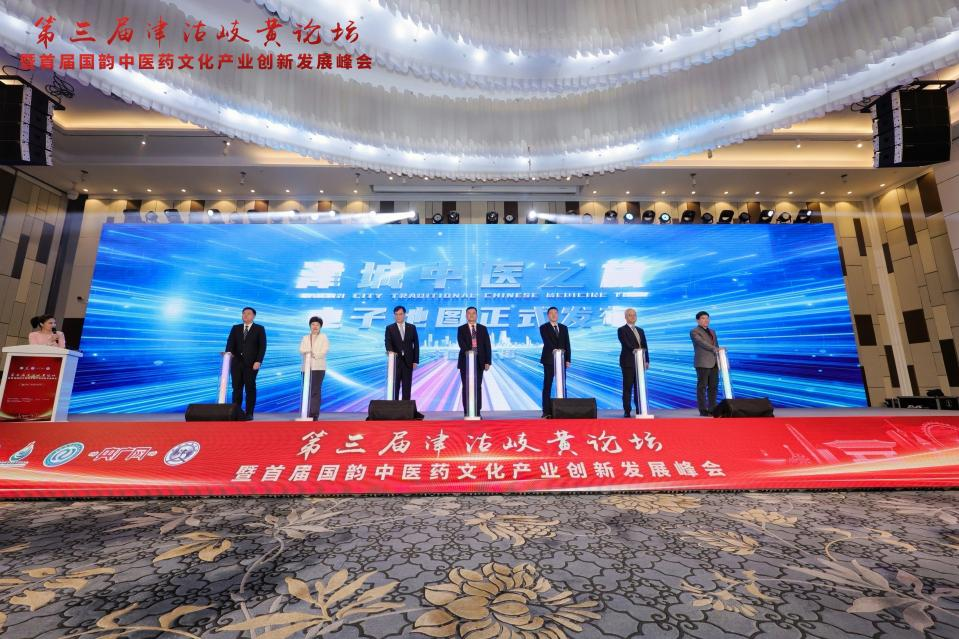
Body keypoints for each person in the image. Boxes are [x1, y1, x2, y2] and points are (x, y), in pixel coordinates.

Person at [225, 306, 267, 421]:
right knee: (236, 388)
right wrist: (228, 357)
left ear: (253, 316)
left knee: (250, 388)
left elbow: (262, 346)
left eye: (248, 313)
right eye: (243, 313)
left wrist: (258, 361)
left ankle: (249, 413)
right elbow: (230, 344)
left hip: (251, 364)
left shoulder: (259, 329)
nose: (245, 315)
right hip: (236, 363)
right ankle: (236, 412)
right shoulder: (235, 328)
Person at [457, 306, 492, 417]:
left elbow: (487, 345)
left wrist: (487, 361)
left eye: (473, 313)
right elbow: (462, 345)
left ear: (476, 315)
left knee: (478, 387)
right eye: (469, 313)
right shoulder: (461, 329)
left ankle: (477, 412)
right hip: (465, 362)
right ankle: (467, 412)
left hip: (479, 362)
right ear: (466, 315)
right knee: (466, 387)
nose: (471, 315)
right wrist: (471, 353)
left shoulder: (483, 328)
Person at [539, 306, 571, 418]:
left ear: (558, 315)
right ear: (548, 315)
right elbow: (547, 342)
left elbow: (567, 344)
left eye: (556, 313)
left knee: (562, 385)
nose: (554, 315)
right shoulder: (543, 327)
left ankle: (563, 410)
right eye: (551, 313)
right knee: (547, 385)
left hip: (562, 361)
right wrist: (555, 351)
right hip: (549, 360)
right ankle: (546, 411)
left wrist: (568, 359)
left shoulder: (564, 328)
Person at [617, 308, 649, 418]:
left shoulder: (640, 330)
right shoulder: (621, 330)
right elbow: (626, 344)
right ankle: (627, 410)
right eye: (630, 315)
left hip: (640, 362)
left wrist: (646, 360)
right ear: (625, 317)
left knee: (639, 387)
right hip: (628, 363)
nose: (633, 317)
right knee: (628, 387)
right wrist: (637, 350)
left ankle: (640, 409)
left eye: (634, 315)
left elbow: (645, 346)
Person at [384, 305, 419, 402]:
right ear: (394, 315)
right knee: (395, 387)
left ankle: (406, 408)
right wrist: (390, 351)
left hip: (408, 362)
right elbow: (387, 342)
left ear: (404, 315)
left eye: (400, 314)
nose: (398, 316)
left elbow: (416, 345)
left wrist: (415, 361)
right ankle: (394, 408)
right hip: (395, 362)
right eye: (396, 314)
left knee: (407, 387)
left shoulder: (412, 327)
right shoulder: (390, 328)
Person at [298, 316, 329, 420]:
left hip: (318, 367)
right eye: (313, 324)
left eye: (317, 325)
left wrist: (313, 354)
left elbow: (324, 350)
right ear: (310, 326)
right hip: (306, 368)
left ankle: (314, 414)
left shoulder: (324, 337)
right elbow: (301, 350)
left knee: (315, 391)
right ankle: (305, 413)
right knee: (306, 390)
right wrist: (308, 352)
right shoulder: (305, 337)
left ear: (320, 327)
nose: (315, 326)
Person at [691, 310, 720, 416]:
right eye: (703, 318)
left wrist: (719, 355)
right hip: (702, 362)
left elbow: (717, 345)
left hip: (714, 363)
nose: (706, 320)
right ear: (697, 320)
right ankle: (703, 410)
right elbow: (701, 343)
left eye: (707, 318)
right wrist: (715, 348)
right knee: (702, 387)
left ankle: (712, 409)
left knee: (713, 386)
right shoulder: (694, 331)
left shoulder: (712, 331)